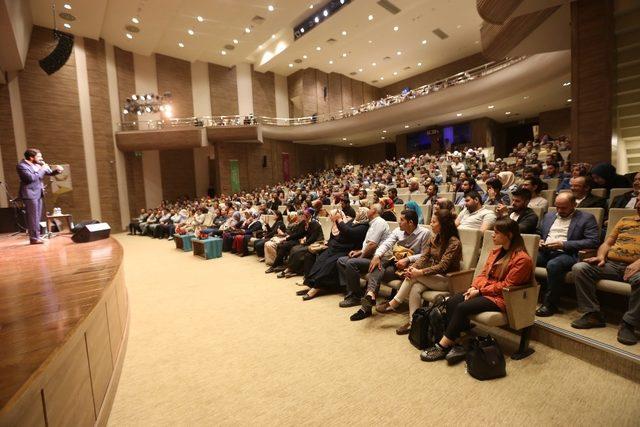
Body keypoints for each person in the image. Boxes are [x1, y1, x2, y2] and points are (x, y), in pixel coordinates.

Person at [420, 218, 533, 362]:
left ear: (509, 235)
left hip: (503, 298)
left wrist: (479, 291)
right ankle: (454, 338)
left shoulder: (522, 259)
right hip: (485, 290)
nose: (492, 235)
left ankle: (443, 346)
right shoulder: (496, 251)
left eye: (496, 233)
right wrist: (474, 287)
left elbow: (506, 286)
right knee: (452, 301)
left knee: (462, 307)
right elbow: (483, 274)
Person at [375, 209, 462, 334]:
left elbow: (443, 266)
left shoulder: (454, 243)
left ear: (443, 225)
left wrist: (418, 272)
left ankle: (394, 303)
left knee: (414, 277)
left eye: (433, 222)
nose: (430, 224)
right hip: (434, 277)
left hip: (449, 279)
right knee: (415, 286)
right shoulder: (435, 238)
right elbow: (424, 257)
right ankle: (413, 322)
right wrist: (413, 268)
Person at [571, 194, 640, 345]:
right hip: (612, 265)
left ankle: (628, 324)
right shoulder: (625, 220)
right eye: (638, 200)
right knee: (580, 268)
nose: (638, 204)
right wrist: (601, 256)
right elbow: (607, 243)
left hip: (637, 270)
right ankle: (593, 314)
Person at [350, 209, 430, 321]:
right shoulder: (398, 230)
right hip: (396, 262)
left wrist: (408, 259)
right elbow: (387, 244)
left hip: (411, 267)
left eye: (401, 220)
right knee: (378, 265)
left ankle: (366, 306)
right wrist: (377, 256)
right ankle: (370, 295)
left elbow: (425, 255)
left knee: (378, 270)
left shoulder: (425, 233)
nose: (398, 222)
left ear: (410, 222)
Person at [535, 192, 599, 317]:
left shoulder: (586, 218)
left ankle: (550, 304)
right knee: (525, 258)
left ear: (574, 205)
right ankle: (522, 294)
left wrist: (564, 244)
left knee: (554, 265)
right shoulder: (549, 215)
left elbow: (593, 241)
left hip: (568, 253)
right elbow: (538, 232)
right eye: (557, 207)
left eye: (563, 208)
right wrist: (540, 240)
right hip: (545, 250)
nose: (559, 210)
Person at [300, 207, 369, 300]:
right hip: (337, 247)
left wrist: (339, 219)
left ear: (364, 215)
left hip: (346, 249)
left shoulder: (363, 226)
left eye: (359, 211)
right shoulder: (352, 221)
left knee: (329, 264)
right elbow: (341, 231)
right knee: (321, 259)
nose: (357, 212)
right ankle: (312, 284)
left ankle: (316, 288)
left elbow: (349, 232)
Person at [338, 204, 390, 307]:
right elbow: (368, 245)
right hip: (370, 255)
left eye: (369, 208)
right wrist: (359, 252)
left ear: (374, 211)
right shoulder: (373, 223)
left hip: (378, 258)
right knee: (341, 260)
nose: (367, 210)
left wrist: (361, 257)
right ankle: (352, 290)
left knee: (351, 263)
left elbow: (372, 245)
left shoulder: (379, 222)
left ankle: (355, 297)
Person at [16, 148, 63, 244]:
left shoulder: (37, 164)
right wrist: (43, 168)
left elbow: (49, 172)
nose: (41, 158)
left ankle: (37, 236)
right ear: (31, 157)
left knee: (37, 216)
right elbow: (31, 178)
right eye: (39, 156)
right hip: (29, 194)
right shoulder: (21, 166)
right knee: (32, 217)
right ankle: (33, 238)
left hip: (38, 193)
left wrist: (58, 171)